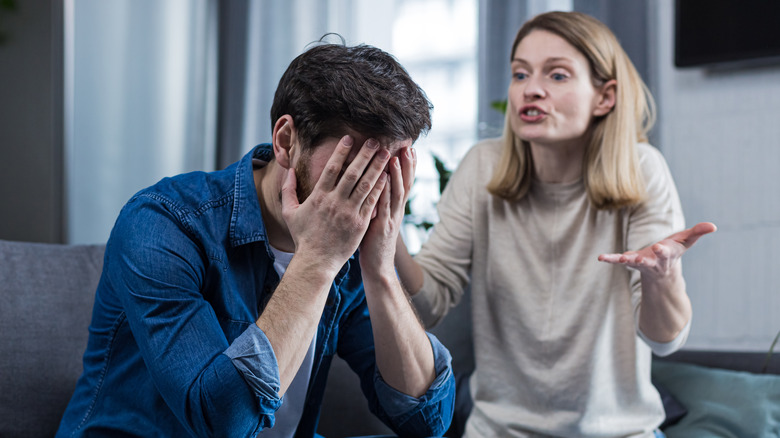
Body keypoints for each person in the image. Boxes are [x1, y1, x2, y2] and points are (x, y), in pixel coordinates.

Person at [56, 42, 455, 438]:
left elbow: (427, 421)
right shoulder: (162, 223)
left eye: (390, 169)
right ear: (286, 141)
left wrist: (381, 269)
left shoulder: (352, 244)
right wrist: (317, 259)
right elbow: (223, 423)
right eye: (353, 169)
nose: (368, 192)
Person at [394, 11, 716, 438]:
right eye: (520, 74)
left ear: (605, 97)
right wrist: (388, 235)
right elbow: (427, 304)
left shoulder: (643, 169)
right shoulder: (481, 168)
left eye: (558, 76)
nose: (532, 89)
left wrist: (661, 277)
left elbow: (664, 340)